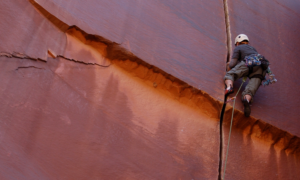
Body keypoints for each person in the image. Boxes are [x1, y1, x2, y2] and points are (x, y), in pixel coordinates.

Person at [224, 34, 267, 117]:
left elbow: (233, 63)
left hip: (249, 62)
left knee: (230, 75)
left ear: (237, 43)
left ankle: (229, 87)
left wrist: (228, 66)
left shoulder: (238, 47)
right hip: (262, 67)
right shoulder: (252, 49)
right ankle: (246, 100)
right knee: (250, 89)